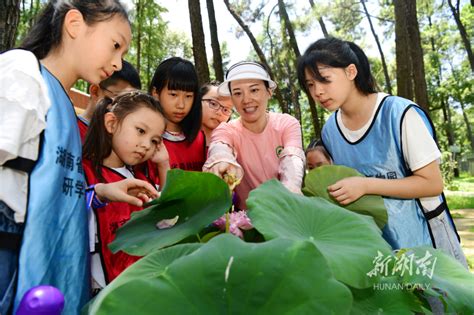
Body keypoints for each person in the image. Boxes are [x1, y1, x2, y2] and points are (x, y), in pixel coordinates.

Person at [0, 2, 158, 314]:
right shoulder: (23, 72)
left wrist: (99, 193)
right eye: (115, 45)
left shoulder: (58, 100)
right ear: (74, 24)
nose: (116, 64)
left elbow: (42, 186)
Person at [297, 37, 467, 266]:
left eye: (324, 80)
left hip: (427, 240)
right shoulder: (330, 131)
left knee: (443, 302)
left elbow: (432, 183)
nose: (317, 91)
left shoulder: (400, 113)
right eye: (310, 84)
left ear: (351, 71)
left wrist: (366, 184)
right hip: (377, 247)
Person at [82, 91, 168, 292]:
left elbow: (165, 220)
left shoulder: (140, 178)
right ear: (111, 123)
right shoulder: (81, 171)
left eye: (155, 140)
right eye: (140, 131)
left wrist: (164, 164)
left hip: (139, 284)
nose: (146, 145)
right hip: (101, 291)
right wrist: (99, 193)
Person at [203, 61, 305, 210]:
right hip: (248, 222)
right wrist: (221, 161)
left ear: (269, 92)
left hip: (287, 212)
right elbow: (220, 148)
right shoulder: (226, 130)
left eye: (254, 90)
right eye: (238, 93)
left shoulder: (287, 124)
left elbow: (292, 161)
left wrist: (290, 192)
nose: (246, 100)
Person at [148, 57, 205, 173]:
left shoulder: (200, 139)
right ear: (156, 93)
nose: (181, 105)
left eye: (188, 96)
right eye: (173, 95)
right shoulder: (145, 140)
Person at [77, 59, 142, 142]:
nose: (125, 109)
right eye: (119, 98)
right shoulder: (70, 130)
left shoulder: (120, 143)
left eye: (131, 103)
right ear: (95, 91)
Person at [200, 82, 234, 147]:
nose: (219, 113)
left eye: (226, 110)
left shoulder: (233, 146)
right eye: (213, 104)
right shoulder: (177, 138)